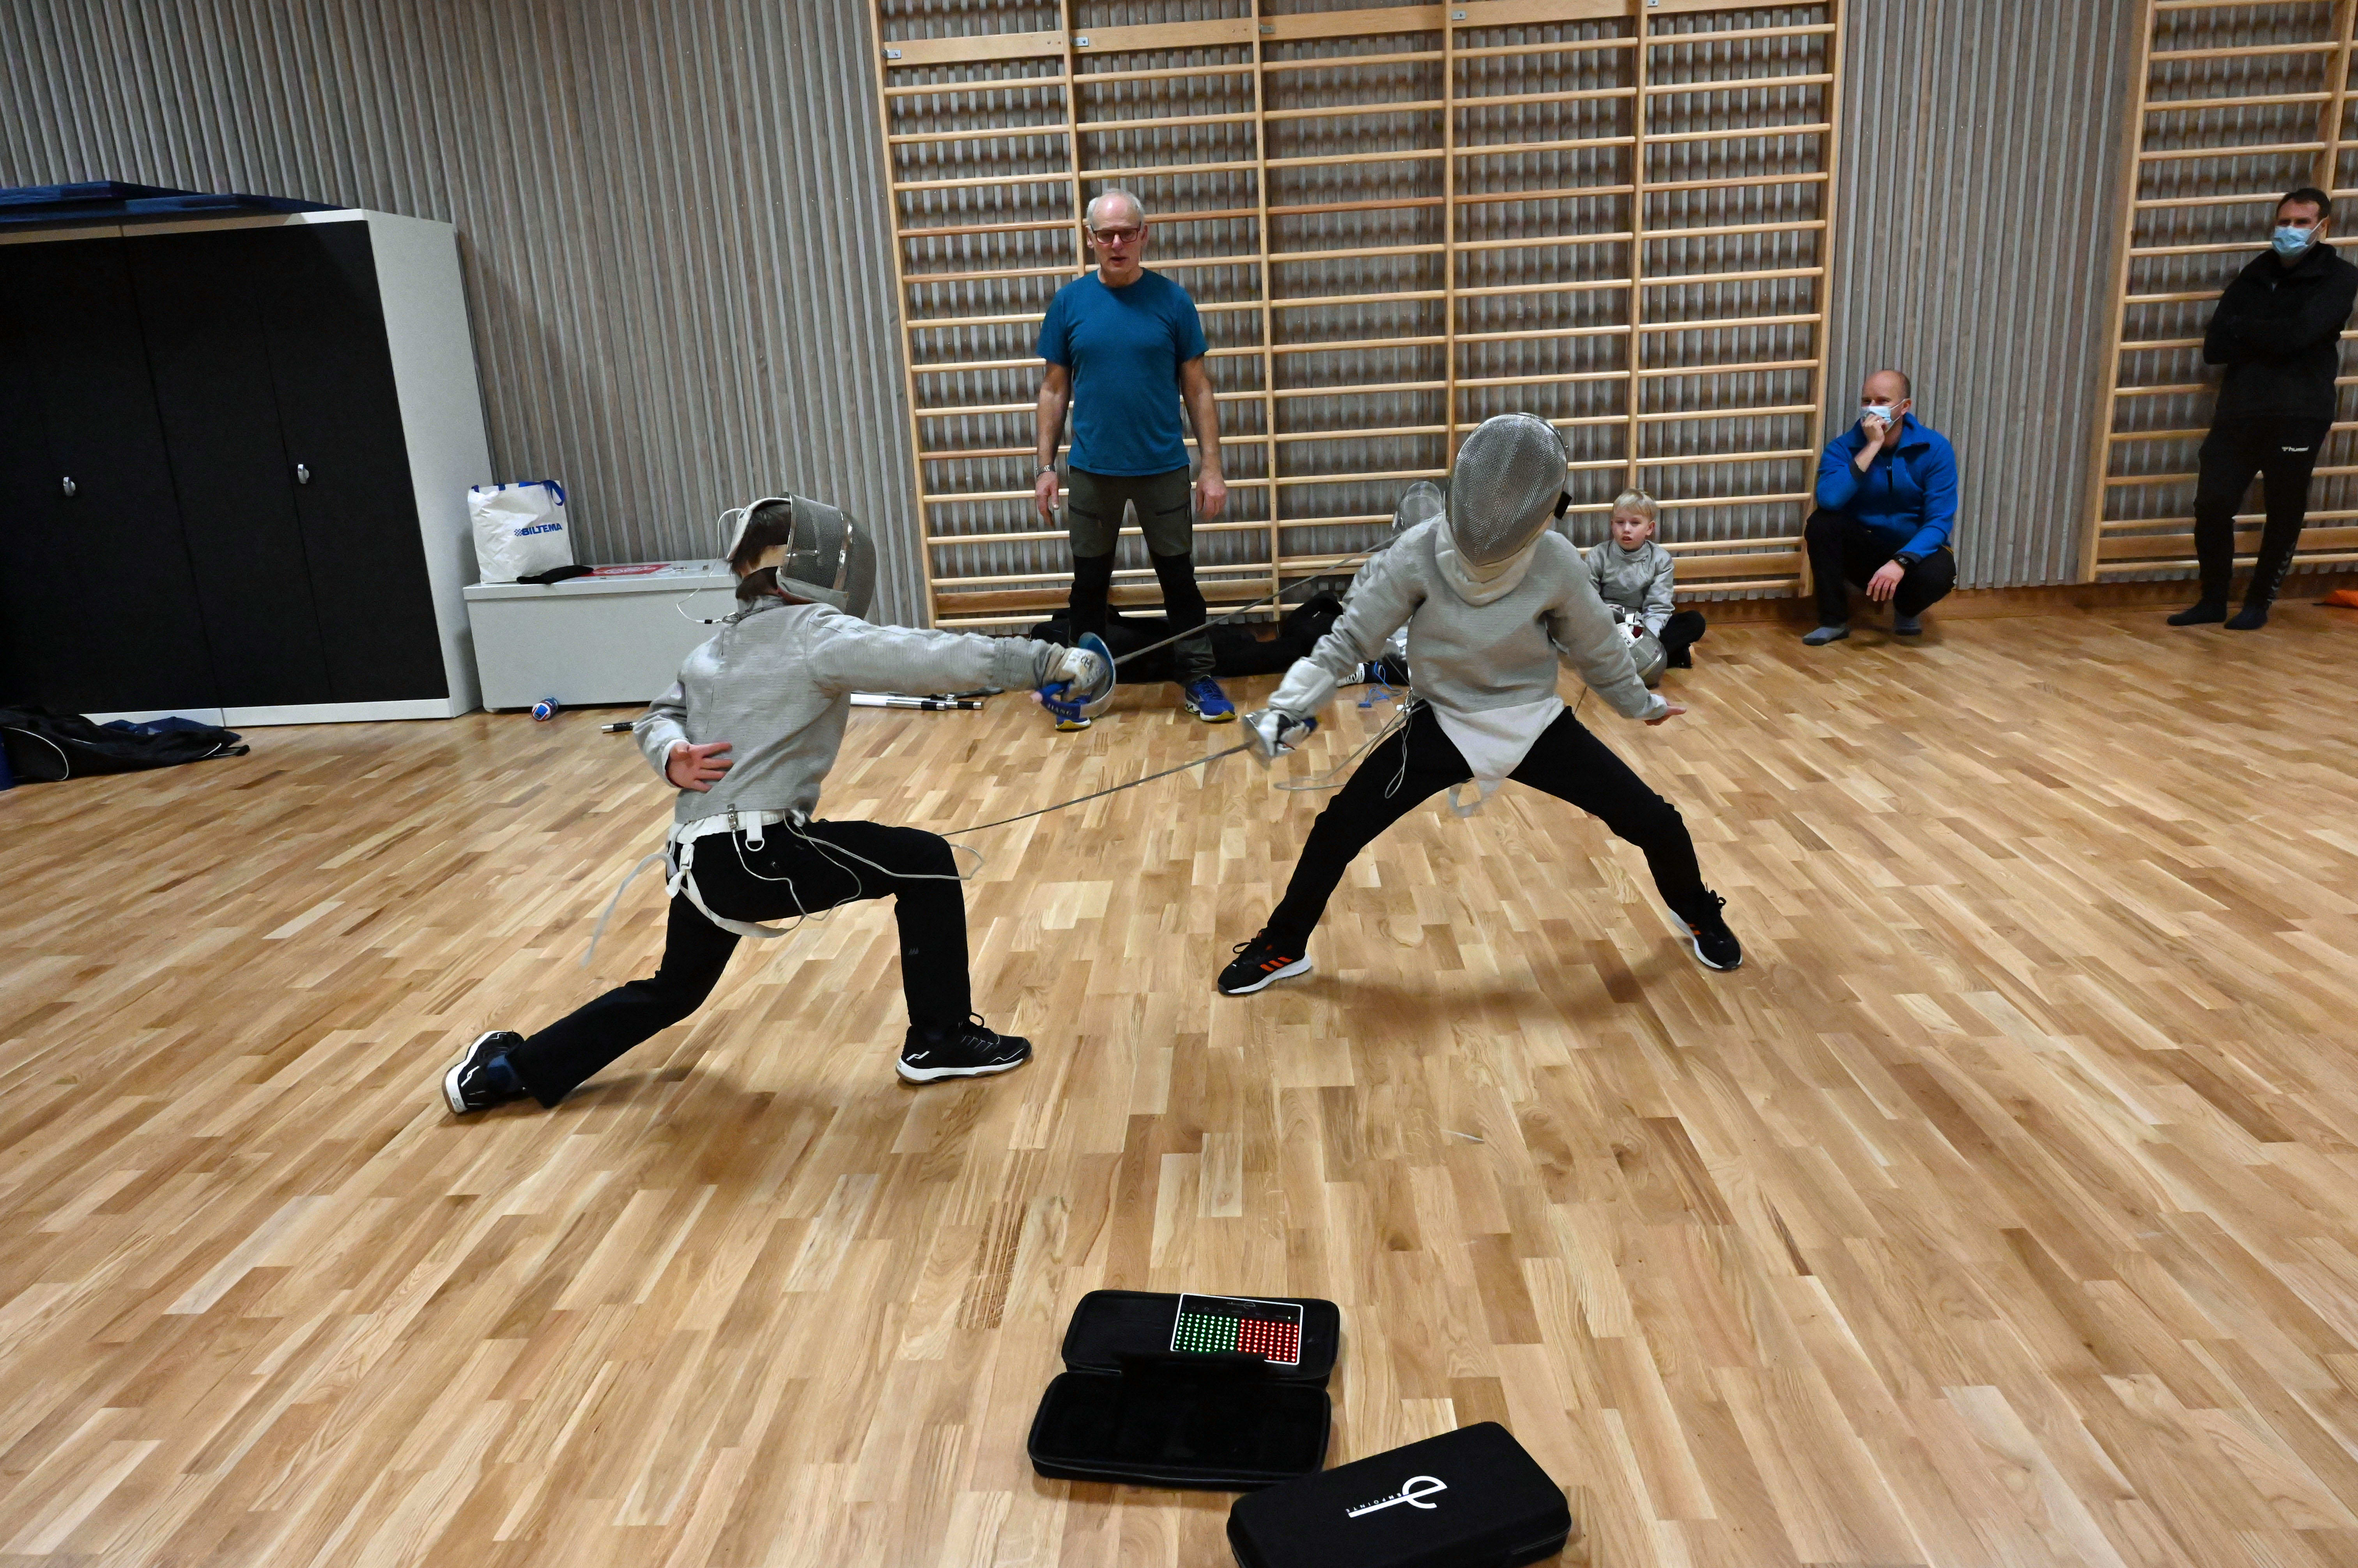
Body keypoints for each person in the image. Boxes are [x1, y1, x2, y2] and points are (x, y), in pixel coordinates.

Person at [439, 496, 1107, 1114]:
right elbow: (931, 656)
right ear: (816, 565)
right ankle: (941, 1039)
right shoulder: (814, 630)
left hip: (698, 861)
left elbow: (658, 715)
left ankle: (505, 1073)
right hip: (759, 854)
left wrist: (670, 753)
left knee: (676, 989)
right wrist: (1049, 661)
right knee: (925, 861)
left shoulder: (715, 646)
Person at [1218, 414, 1743, 996]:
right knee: (1337, 830)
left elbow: (1598, 650)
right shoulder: (1419, 550)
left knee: (1657, 822)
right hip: (1443, 722)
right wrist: (1290, 708)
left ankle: (1696, 911)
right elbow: (1351, 639)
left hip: (1532, 722)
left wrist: (1642, 704)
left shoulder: (1556, 560)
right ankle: (1283, 944)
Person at [1033, 189, 1234, 730]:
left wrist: (1211, 467)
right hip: (1093, 471)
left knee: (1179, 580)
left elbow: (1198, 388)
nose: (1117, 243)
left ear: (1144, 235)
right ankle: (1080, 685)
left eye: (1127, 233)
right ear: (1091, 238)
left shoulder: (1173, 301)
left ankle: (1198, 678)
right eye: (1106, 234)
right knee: (1089, 586)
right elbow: (1053, 390)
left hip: (1162, 468)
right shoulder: (1069, 304)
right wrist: (1046, 467)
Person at [2170, 186, 2358, 630]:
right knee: (2212, 504)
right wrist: (2274, 333)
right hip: (2239, 409)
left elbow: (2301, 334)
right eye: (2284, 222)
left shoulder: (2339, 276)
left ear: (2323, 226)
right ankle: (2212, 599)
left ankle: (2258, 603)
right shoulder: (2255, 274)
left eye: (2301, 222)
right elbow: (2216, 347)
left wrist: (2249, 330)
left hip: (2299, 412)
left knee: (2283, 508)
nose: (2290, 230)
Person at [1801, 370, 1959, 644]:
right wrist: (1873, 446)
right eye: (1867, 401)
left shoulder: (1935, 448)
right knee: (1822, 523)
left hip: (1913, 550)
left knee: (1939, 573)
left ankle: (1907, 610)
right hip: (1867, 547)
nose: (1872, 408)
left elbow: (1939, 521)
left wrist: (1901, 561)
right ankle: (1833, 621)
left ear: (1905, 407)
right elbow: (1830, 500)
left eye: (1883, 401)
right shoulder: (1842, 448)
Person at [1585, 489, 1707, 682]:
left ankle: (1629, 662)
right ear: (1612, 524)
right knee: (1559, 625)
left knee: (1695, 621)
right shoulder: (1598, 555)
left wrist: (1646, 645)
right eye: (1620, 523)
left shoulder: (1660, 560)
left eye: (1635, 523)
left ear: (1649, 528)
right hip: (1608, 624)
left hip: (1643, 627)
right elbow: (1587, 600)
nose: (1626, 529)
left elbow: (1658, 607)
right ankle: (1672, 656)